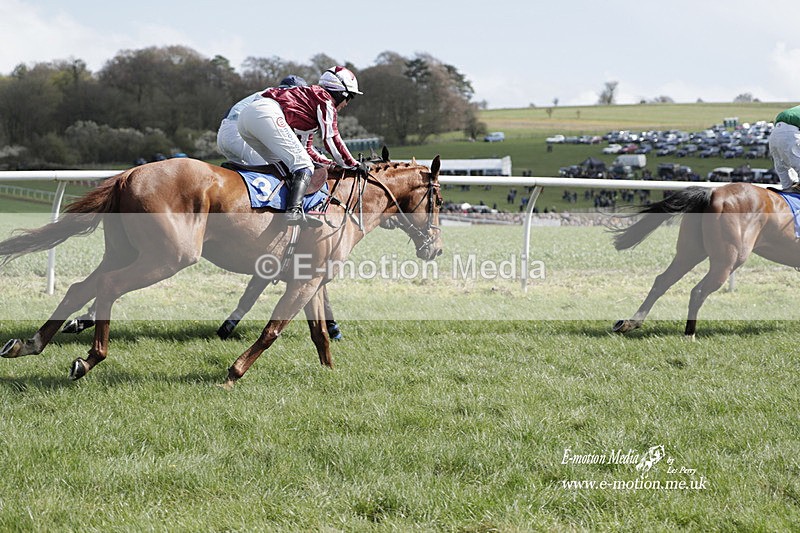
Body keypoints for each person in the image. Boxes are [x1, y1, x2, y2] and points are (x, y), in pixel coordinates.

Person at [237, 66, 362, 226]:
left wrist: (331, 165)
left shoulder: (309, 104)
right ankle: (293, 211)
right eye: (349, 97)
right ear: (340, 93)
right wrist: (353, 165)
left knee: (285, 166)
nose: (347, 103)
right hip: (265, 113)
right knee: (303, 165)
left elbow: (306, 149)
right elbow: (331, 137)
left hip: (246, 119)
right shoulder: (325, 100)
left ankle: (275, 209)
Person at [216, 75, 308, 165]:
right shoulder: (284, 97)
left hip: (223, 133)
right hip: (238, 133)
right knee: (277, 169)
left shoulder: (268, 93)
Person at [768, 104, 800, 192]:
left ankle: (787, 188)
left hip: (774, 134)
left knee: (781, 167)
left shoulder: (795, 110)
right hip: (790, 134)